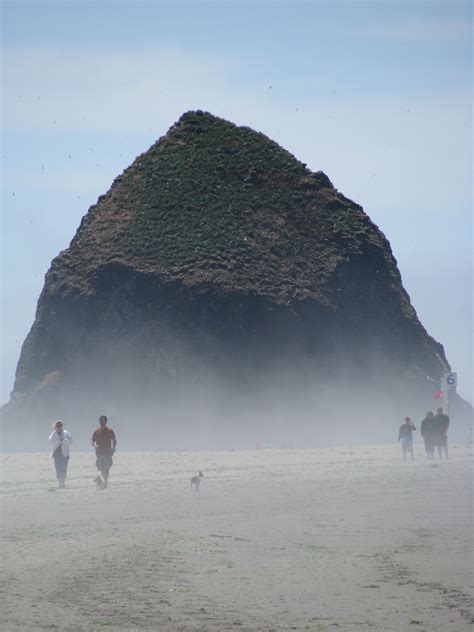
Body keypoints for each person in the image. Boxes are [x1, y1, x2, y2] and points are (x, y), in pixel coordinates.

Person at [91, 415, 117, 488]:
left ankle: (105, 481)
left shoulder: (110, 431)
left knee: (107, 466)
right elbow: (92, 441)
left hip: (108, 452)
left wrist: (113, 448)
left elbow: (114, 440)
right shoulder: (97, 431)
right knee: (100, 467)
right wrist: (95, 446)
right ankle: (102, 481)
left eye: (103, 421)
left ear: (106, 422)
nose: (102, 423)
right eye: (100, 421)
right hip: (99, 453)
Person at [49, 420, 72, 488]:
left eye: (60, 426)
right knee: (58, 468)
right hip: (56, 454)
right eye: (57, 426)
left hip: (65, 454)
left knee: (64, 468)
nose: (59, 427)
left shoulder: (66, 433)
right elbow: (51, 441)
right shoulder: (53, 434)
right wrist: (59, 440)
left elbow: (71, 442)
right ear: (55, 427)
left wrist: (64, 440)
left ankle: (63, 482)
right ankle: (60, 482)